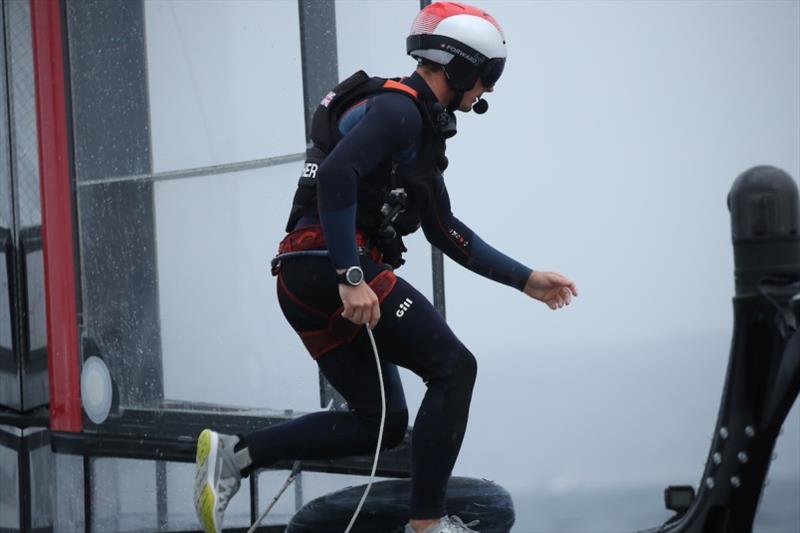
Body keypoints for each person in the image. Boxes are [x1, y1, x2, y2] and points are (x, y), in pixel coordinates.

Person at [193, 2, 578, 533]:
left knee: (382, 423)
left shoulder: (413, 129)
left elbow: (446, 230)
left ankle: (233, 458)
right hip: (332, 267)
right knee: (454, 367)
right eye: (487, 75)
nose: (486, 90)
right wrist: (351, 278)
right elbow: (335, 177)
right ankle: (427, 525)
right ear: (460, 66)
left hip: (303, 278)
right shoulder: (399, 111)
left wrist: (526, 279)